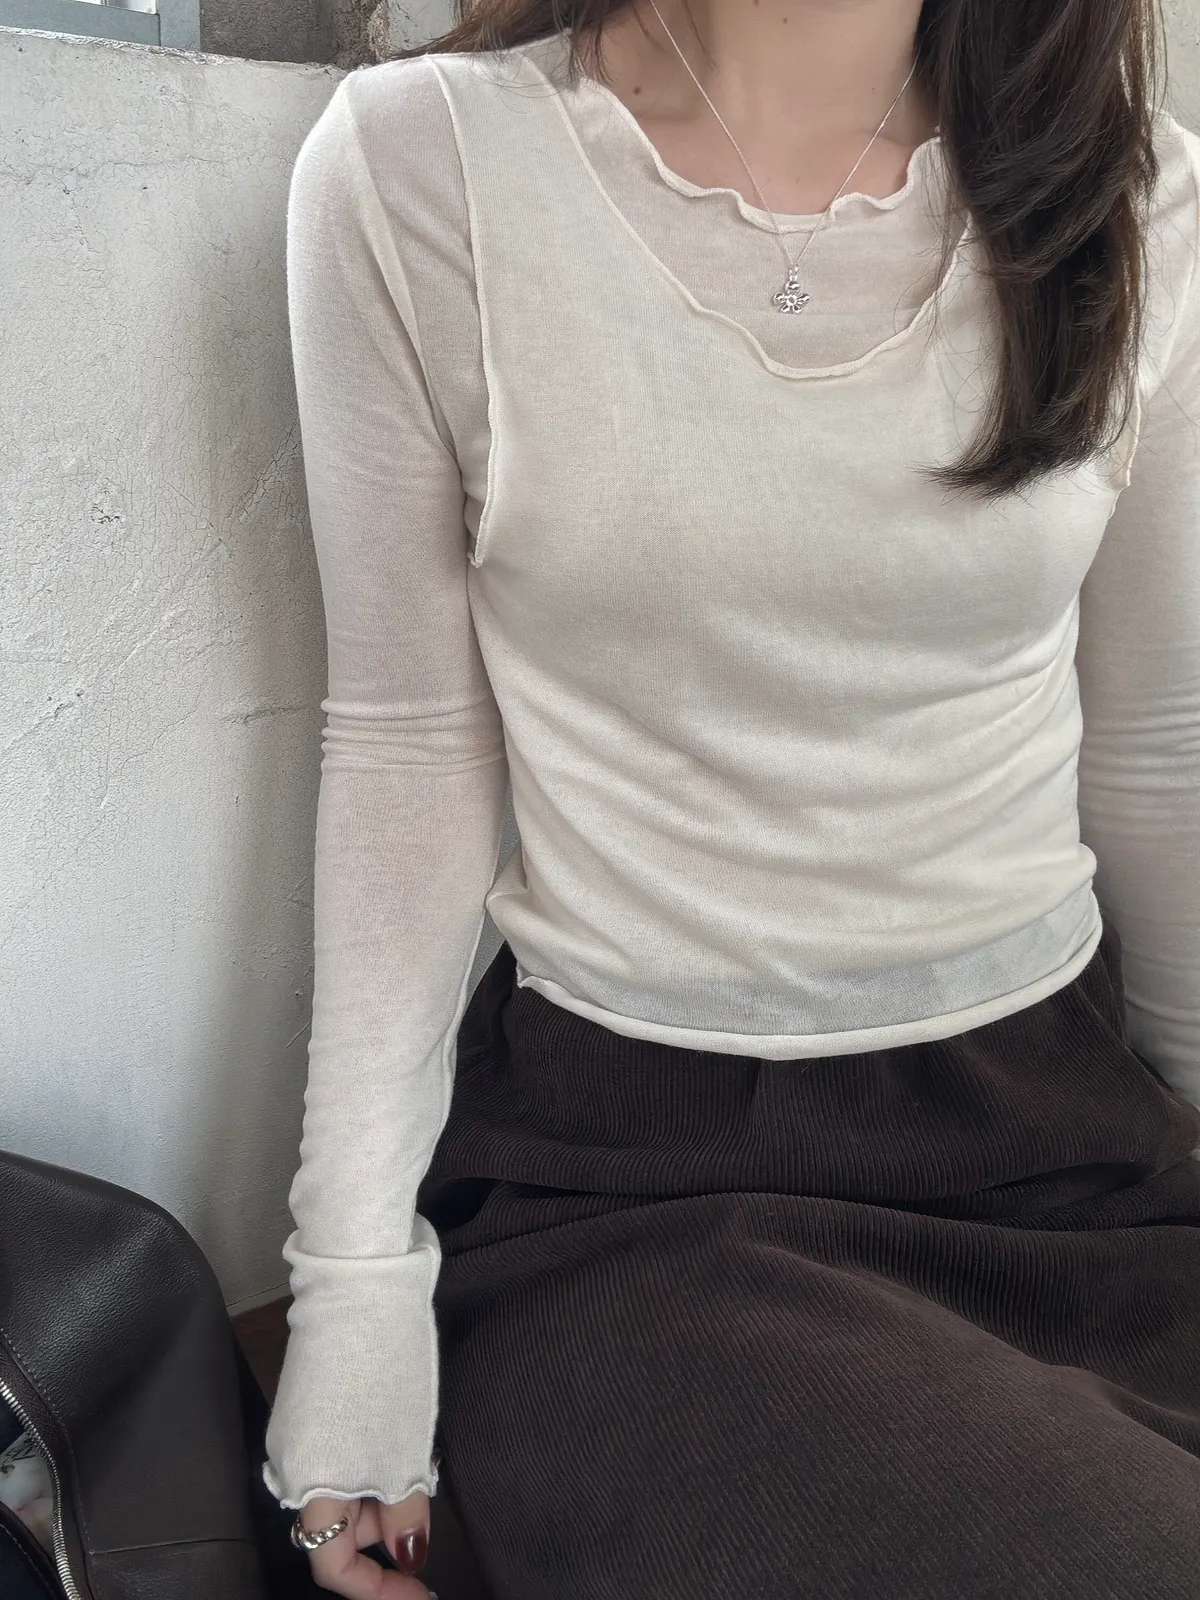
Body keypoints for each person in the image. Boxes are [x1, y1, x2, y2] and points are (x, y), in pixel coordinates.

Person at [263, 0, 1200, 1594]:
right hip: (639, 1178)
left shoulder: (1136, 198)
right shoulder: (426, 168)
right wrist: (351, 1289)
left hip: (1068, 1134)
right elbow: (410, 748)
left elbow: (1163, 743)